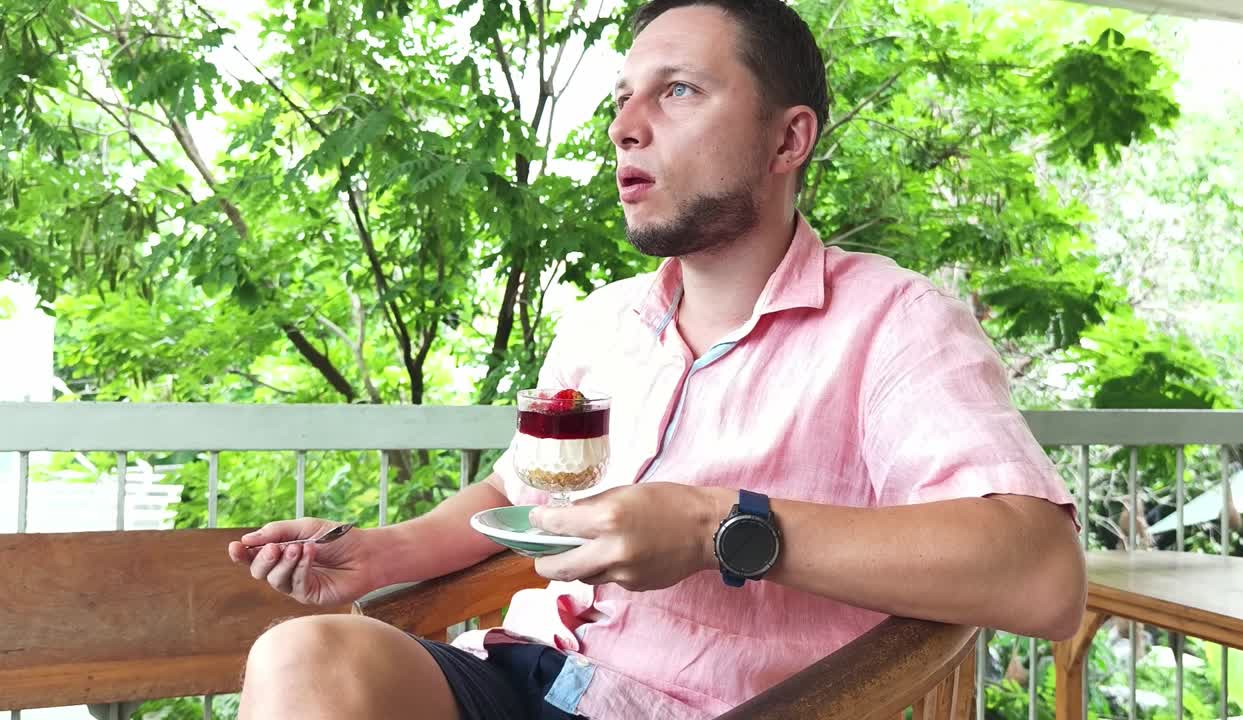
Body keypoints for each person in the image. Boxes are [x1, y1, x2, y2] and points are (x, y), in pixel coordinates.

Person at [228, 1, 1086, 718]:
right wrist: (379, 554)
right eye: (624, 98)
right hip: (527, 673)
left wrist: (714, 528)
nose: (624, 127)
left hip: (711, 708)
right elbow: (516, 494)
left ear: (789, 139)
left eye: (678, 91)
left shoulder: (895, 323)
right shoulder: (604, 325)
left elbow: (1042, 575)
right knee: (305, 662)